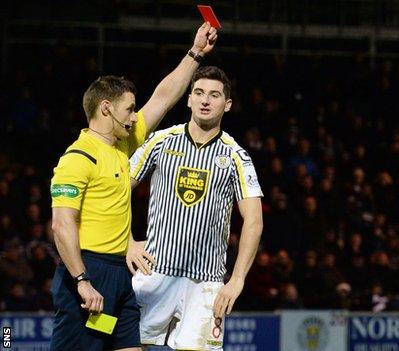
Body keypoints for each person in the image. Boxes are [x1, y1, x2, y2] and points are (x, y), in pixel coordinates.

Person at [49, 23, 218, 351]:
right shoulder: (77, 158)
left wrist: (195, 53)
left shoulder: (120, 146)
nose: (133, 118)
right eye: (128, 110)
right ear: (106, 108)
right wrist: (82, 281)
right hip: (87, 274)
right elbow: (61, 223)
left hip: (119, 276)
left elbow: (164, 97)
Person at [126, 65, 263, 350]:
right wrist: (127, 241)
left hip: (206, 283)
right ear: (188, 99)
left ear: (227, 105)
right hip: (155, 271)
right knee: (128, 347)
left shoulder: (236, 156)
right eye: (199, 92)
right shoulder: (161, 141)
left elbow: (254, 220)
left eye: (214, 95)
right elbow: (115, 191)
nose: (205, 100)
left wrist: (236, 280)